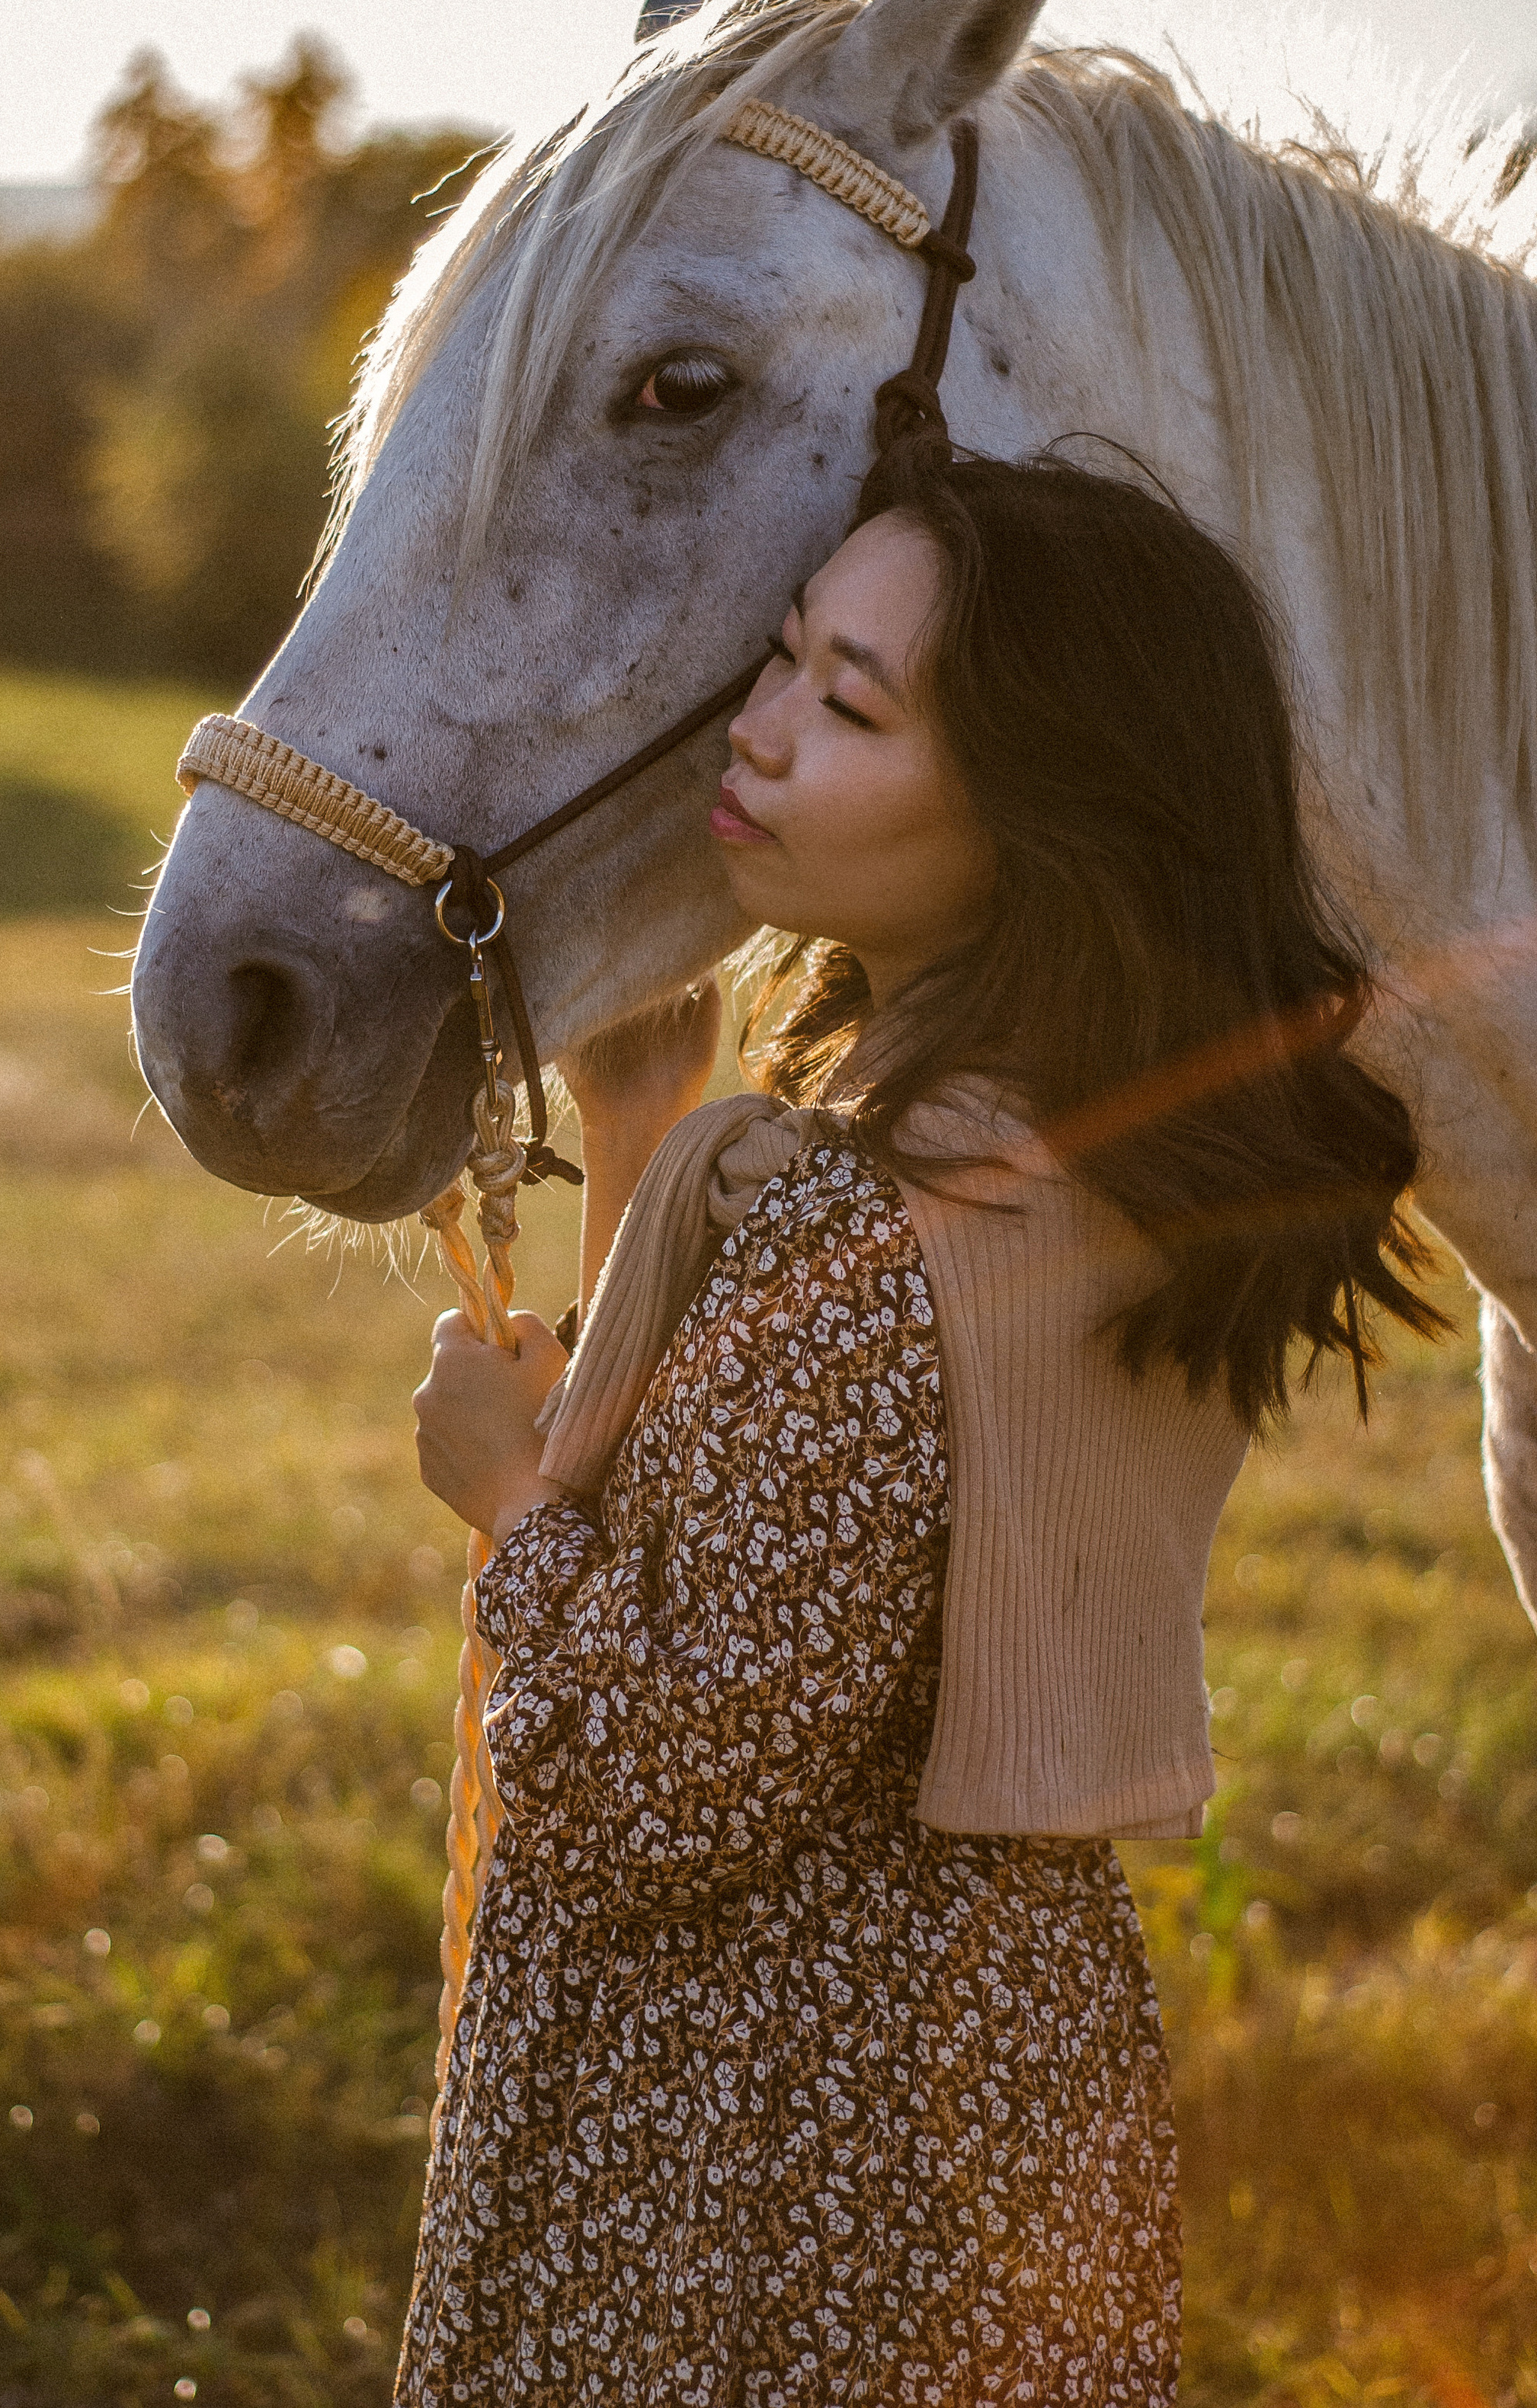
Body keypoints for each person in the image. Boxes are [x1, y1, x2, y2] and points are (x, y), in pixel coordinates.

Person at [395, 443, 1441, 2406]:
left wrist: (508, 1495)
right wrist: (638, 1139)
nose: (765, 731)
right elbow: (789, 1567)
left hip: (752, 2151)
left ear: (1039, 810)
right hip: (980, 2104)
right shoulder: (1087, 1160)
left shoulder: (875, 1232)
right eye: (784, 657)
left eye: (852, 702)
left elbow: (646, 1795)